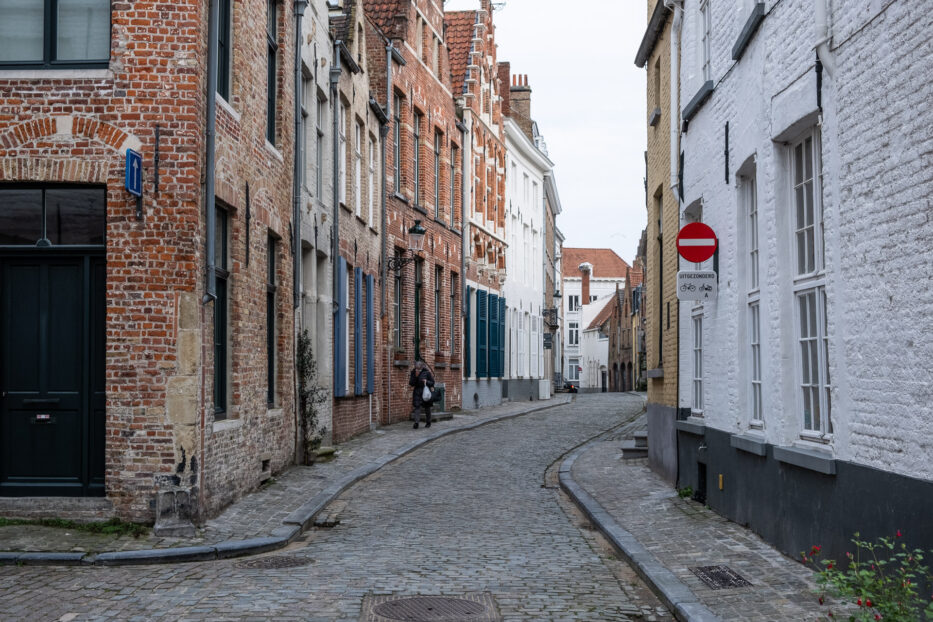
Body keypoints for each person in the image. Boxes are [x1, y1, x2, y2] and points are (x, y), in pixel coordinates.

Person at [409, 360, 435, 429]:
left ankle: (428, 422)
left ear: (421, 367)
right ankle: (416, 422)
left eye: (418, 368)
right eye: (416, 368)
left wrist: (426, 382)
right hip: (417, 391)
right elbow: (411, 383)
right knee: (417, 407)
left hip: (425, 391)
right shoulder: (413, 372)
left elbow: (432, 382)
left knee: (427, 407)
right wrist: (415, 376)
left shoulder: (427, 372)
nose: (417, 369)